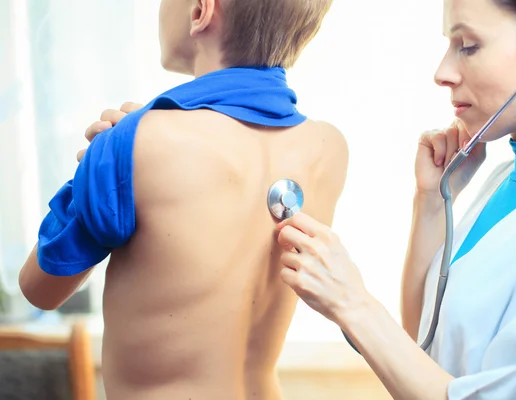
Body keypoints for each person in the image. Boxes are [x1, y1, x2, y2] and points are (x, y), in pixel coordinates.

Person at [18, 0, 348, 399]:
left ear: (200, 11)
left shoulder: (134, 142)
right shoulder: (328, 148)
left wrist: (99, 170)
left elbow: (39, 289)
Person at [276, 0, 516, 398]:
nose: (442, 73)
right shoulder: (505, 178)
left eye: (468, 45)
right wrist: (431, 200)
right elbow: (422, 343)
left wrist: (352, 302)